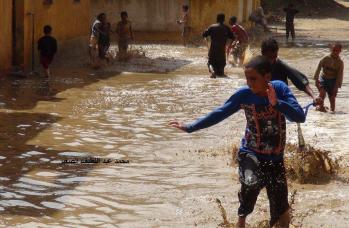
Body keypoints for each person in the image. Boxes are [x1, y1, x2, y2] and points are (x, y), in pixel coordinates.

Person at [170, 55, 306, 228]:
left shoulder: (280, 89)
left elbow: (299, 117)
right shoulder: (244, 95)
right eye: (247, 79)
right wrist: (190, 127)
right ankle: (241, 221)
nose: (249, 83)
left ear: (267, 77)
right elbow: (220, 113)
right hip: (250, 153)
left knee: (280, 211)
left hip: (275, 159)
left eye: (253, 79)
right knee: (251, 183)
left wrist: (276, 103)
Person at [261, 38, 322, 105]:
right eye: (269, 57)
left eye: (274, 57)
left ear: (277, 52)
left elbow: (300, 80)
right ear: (262, 54)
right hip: (263, 101)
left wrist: (314, 96)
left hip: (280, 102)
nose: (271, 61)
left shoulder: (281, 66)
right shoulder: (257, 67)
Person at [203, 13, 235, 78]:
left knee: (210, 63)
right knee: (221, 67)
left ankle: (213, 72)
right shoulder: (226, 27)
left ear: (217, 19)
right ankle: (221, 74)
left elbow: (204, 35)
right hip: (221, 50)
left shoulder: (212, 27)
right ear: (224, 19)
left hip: (213, 49)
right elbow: (233, 37)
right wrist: (229, 45)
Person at [314, 43, 344, 113]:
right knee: (322, 93)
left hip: (333, 80)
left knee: (332, 98)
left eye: (337, 51)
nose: (335, 52)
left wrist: (336, 87)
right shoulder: (325, 58)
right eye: (333, 50)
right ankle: (321, 108)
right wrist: (316, 79)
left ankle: (332, 111)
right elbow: (318, 68)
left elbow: (340, 76)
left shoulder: (340, 62)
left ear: (340, 51)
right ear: (331, 49)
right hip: (324, 78)